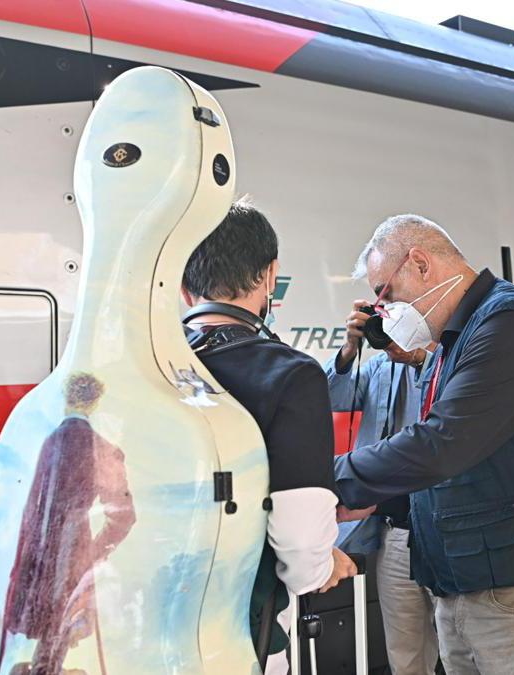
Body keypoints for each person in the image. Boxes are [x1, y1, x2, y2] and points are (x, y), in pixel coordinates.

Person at [335, 214, 514, 674]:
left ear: (420, 264)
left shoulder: (510, 326)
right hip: (462, 581)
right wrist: (381, 500)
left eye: (387, 294)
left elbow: (443, 443)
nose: (386, 312)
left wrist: (332, 478)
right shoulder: (454, 340)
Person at [181, 198, 357, 674]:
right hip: (237, 634)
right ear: (270, 275)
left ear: (182, 286)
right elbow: (300, 536)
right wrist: (321, 568)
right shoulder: (290, 374)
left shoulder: (140, 364)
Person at [325, 301, 439, 675]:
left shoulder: (451, 361)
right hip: (396, 533)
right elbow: (333, 397)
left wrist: (419, 357)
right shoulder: (379, 367)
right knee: (405, 653)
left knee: (461, 648)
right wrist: (349, 350)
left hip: (443, 531)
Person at [0, 372, 136, 675]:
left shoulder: (45, 441)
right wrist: (96, 550)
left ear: (65, 399)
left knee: (49, 624)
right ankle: (46, 668)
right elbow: (124, 516)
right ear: (96, 403)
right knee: (63, 621)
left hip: (38, 548)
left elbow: (29, 508)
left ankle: (44, 668)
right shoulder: (101, 447)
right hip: (75, 549)